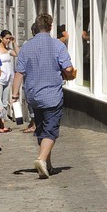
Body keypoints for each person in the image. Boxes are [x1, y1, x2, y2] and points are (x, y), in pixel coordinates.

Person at [13, 13, 75, 179]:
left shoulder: (26, 46)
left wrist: (14, 95)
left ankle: (48, 165)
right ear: (50, 27)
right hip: (52, 94)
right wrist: (68, 73)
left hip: (33, 95)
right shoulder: (57, 45)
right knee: (51, 129)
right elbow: (68, 69)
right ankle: (41, 159)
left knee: (41, 127)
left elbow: (19, 72)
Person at [0, 29, 18, 131]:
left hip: (8, 78)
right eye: (6, 38)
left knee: (4, 102)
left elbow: (18, 54)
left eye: (9, 38)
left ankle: (2, 125)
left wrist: (14, 43)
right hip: (0, 79)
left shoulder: (8, 50)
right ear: (1, 38)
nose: (8, 40)